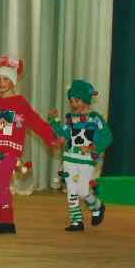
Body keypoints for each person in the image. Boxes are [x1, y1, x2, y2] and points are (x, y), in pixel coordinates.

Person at [0, 54, 63, 234]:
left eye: (5, 79)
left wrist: (51, 137)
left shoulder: (20, 103)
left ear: (13, 81)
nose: (1, 83)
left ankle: (7, 221)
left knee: (2, 185)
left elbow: (36, 121)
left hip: (10, 151)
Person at [48, 79, 113, 231]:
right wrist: (54, 121)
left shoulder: (95, 118)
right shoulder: (70, 118)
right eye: (71, 100)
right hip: (69, 159)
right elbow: (63, 134)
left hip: (86, 160)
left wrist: (94, 147)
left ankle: (97, 206)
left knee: (83, 191)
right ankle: (76, 221)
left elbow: (107, 137)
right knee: (71, 190)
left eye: (76, 100)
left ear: (85, 100)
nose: (73, 104)